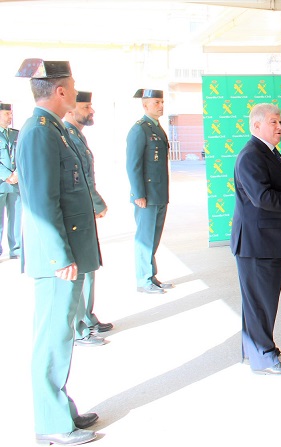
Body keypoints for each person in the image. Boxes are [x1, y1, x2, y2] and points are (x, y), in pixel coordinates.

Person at [15, 58, 100, 446]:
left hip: (66, 251)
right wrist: (58, 255)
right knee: (51, 340)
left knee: (61, 336)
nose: (76, 91)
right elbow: (40, 202)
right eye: (73, 85)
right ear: (61, 90)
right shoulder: (39, 132)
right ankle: (51, 423)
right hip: (57, 259)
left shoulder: (54, 130)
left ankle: (62, 409)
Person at [232, 103, 281, 375]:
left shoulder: (269, 153)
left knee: (259, 302)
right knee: (260, 302)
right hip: (257, 243)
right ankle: (263, 358)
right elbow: (261, 198)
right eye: (273, 122)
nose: (279, 127)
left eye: (280, 122)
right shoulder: (252, 155)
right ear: (256, 126)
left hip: (268, 241)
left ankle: (255, 351)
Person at [64, 91, 113, 346]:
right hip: (78, 211)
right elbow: (79, 177)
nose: (91, 110)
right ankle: (80, 327)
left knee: (89, 268)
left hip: (84, 209)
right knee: (81, 269)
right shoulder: (66, 136)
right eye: (86, 106)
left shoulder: (76, 136)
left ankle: (88, 318)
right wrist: (96, 201)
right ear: (71, 110)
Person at [127, 89, 173, 294]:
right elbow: (133, 164)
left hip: (159, 192)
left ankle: (151, 275)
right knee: (144, 238)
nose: (161, 105)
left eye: (162, 101)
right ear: (145, 105)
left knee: (154, 237)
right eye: (156, 102)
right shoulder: (140, 129)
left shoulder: (158, 128)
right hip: (146, 194)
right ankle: (143, 279)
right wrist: (138, 194)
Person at [0, 101, 21, 260]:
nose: (10, 116)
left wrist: (17, 174)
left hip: (15, 184)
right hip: (2, 182)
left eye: (10, 113)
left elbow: (22, 155)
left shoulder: (16, 134)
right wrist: (7, 175)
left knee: (16, 217)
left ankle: (16, 248)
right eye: (7, 113)